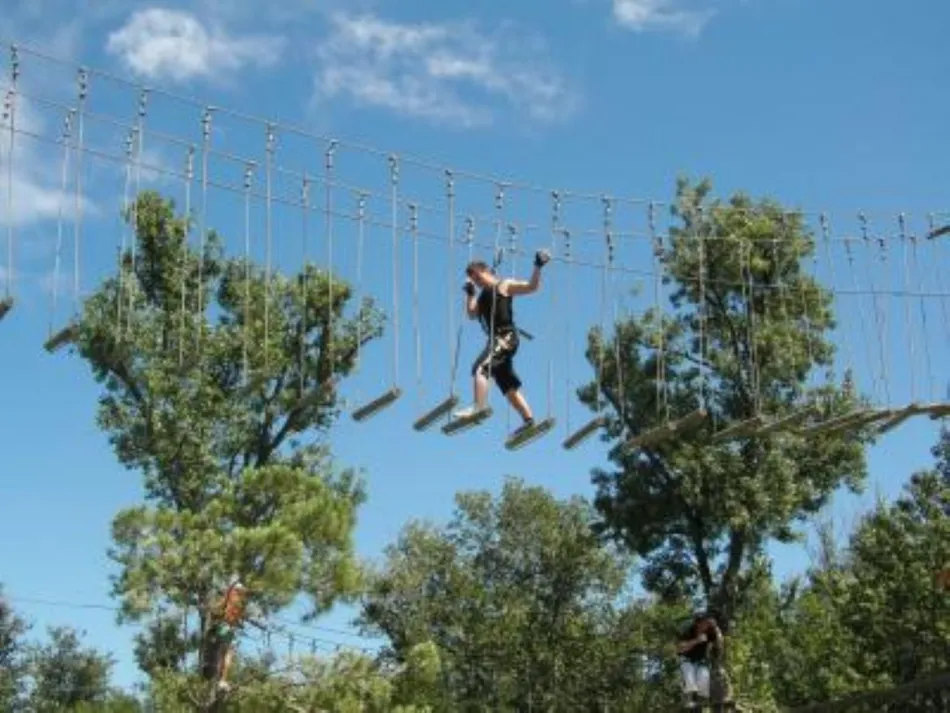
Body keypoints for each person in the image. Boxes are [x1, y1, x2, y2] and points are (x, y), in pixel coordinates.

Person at [453, 249, 550, 439]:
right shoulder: (482, 297)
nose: (478, 283)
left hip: (505, 337)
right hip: (496, 341)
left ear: (486, 271)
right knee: (507, 385)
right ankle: (529, 421)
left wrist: (538, 266)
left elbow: (532, 287)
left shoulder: (503, 285)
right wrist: (470, 293)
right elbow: (472, 314)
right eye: (475, 281)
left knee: (481, 368)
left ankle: (478, 406)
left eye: (478, 278)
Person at [676, 610, 726, 709]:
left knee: (703, 680)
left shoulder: (710, 631)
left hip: (701, 661)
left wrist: (716, 629)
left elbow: (720, 643)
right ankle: (689, 699)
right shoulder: (688, 630)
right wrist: (696, 641)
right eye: (704, 623)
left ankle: (700, 704)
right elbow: (679, 648)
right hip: (686, 659)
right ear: (697, 623)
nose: (705, 626)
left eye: (707, 623)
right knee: (689, 677)